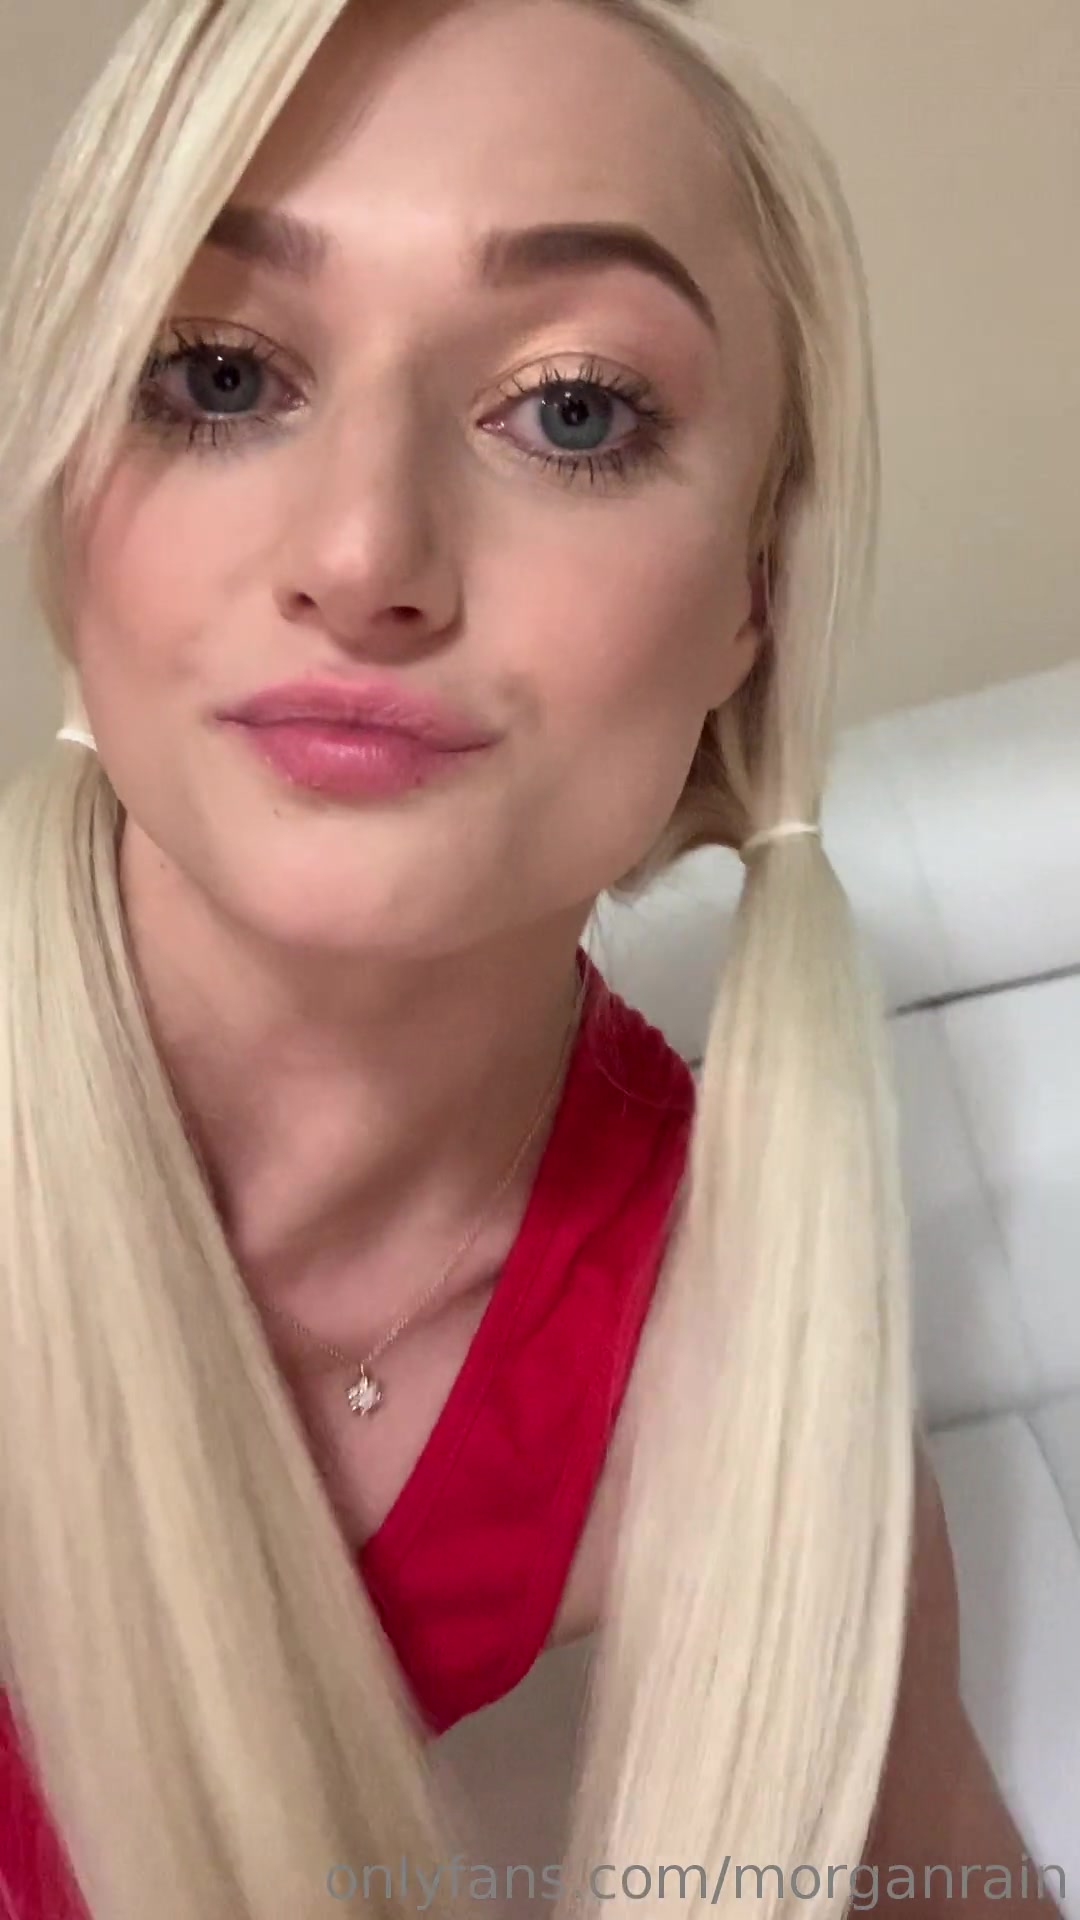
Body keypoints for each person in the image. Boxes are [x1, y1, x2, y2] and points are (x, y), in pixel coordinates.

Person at [0, 0, 1059, 1915]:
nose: (363, 553)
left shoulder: (729, 1355)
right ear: (70, 498)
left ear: (751, 600)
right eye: (219, 375)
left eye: (574, 409)